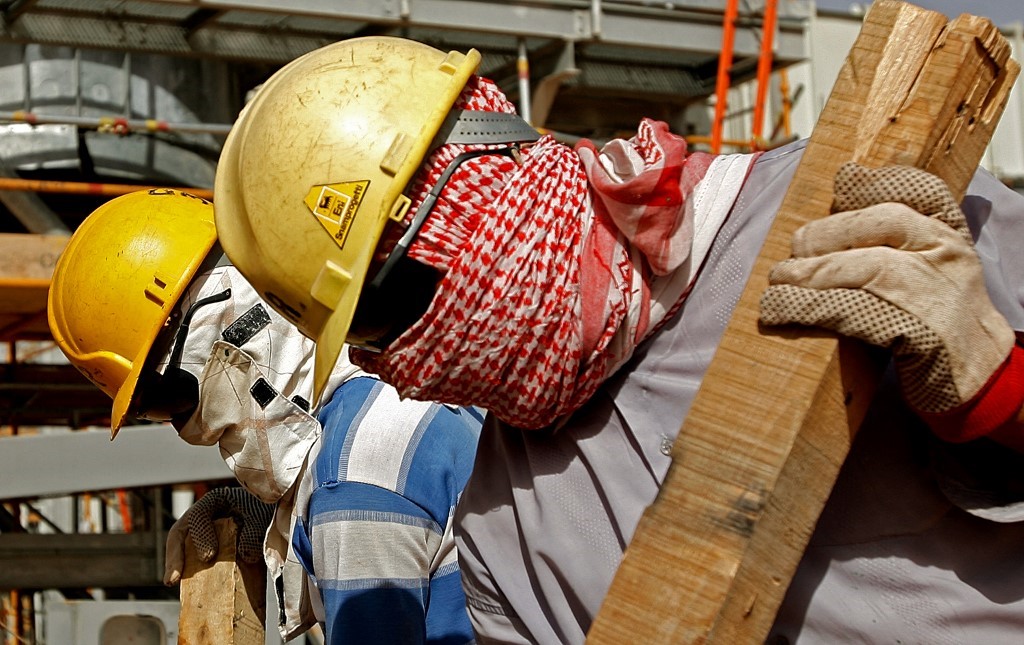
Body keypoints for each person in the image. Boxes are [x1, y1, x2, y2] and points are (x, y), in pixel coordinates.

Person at [211, 36, 1024, 643]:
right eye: (369, 332)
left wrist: (997, 389)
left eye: (398, 297)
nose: (400, 358)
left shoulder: (853, 216)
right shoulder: (500, 534)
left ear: (479, 174)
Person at [46, 189, 483, 644]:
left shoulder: (355, 477)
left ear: (218, 329)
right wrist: (285, 513)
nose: (187, 430)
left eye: (164, 399)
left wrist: (326, 503)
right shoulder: (399, 390)